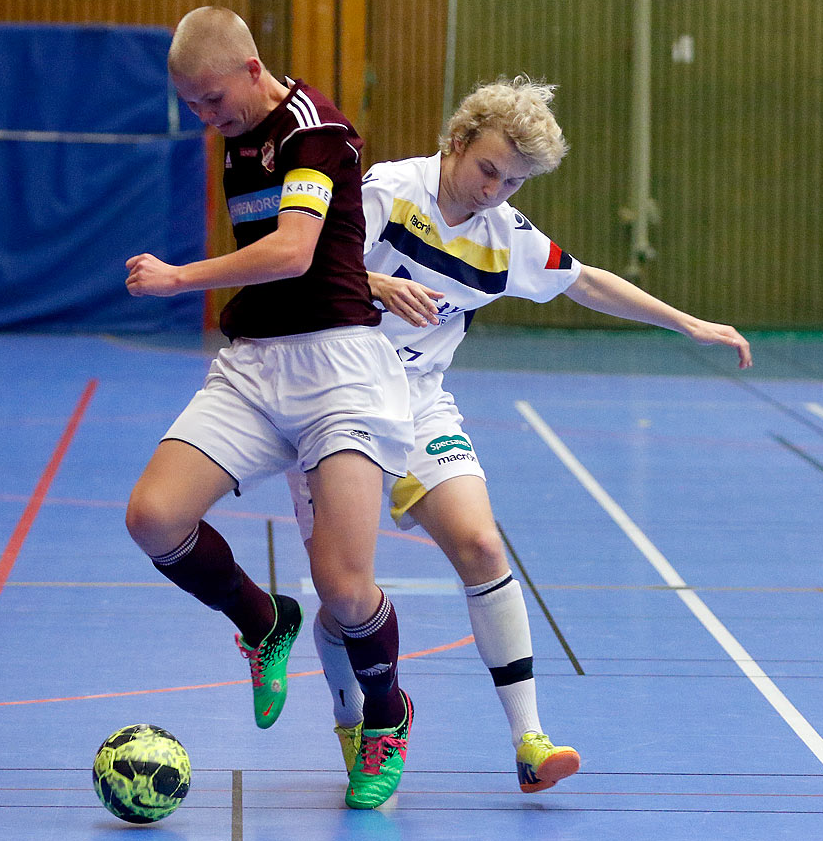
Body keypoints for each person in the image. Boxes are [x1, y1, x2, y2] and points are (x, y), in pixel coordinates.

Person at [288, 75, 752, 794]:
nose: (494, 192)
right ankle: (355, 716)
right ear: (457, 141)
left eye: (513, 183)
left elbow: (588, 281)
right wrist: (376, 286)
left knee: (481, 543)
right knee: (345, 594)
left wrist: (687, 322)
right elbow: (311, 259)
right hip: (333, 397)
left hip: (417, 405)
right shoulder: (388, 190)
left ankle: (529, 740)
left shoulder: (506, 239)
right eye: (488, 170)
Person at [123, 6, 416, 809]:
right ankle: (263, 620)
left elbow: (293, 250)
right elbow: (325, 250)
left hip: (340, 375)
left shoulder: (314, 132)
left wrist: (180, 278)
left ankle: (387, 716)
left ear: (252, 69)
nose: (204, 118)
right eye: (191, 106)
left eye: (212, 100)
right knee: (152, 517)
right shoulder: (237, 134)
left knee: (348, 590)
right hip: (255, 368)